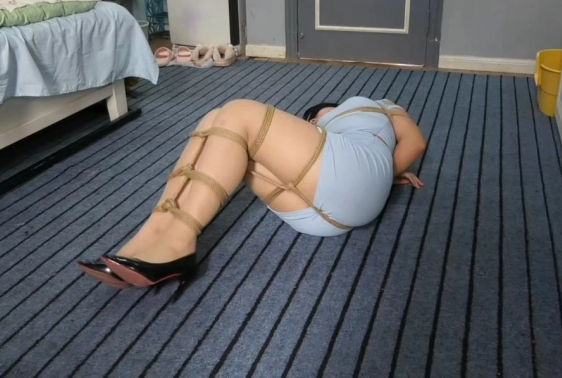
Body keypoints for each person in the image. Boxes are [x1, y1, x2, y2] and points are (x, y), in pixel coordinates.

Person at [77, 96, 426, 295]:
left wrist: (386, 175)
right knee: (215, 120)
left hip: (356, 174)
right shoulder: (317, 137)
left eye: (318, 115)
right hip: (318, 214)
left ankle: (177, 242)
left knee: (238, 111)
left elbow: (415, 142)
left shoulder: (376, 105)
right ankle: (153, 235)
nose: (316, 120)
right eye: (312, 120)